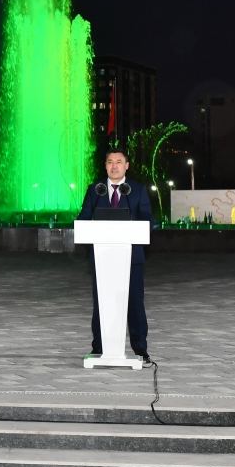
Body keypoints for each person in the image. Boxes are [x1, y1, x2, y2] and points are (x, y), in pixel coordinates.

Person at [77, 148, 152, 363]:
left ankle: (140, 350)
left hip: (132, 259)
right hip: (103, 259)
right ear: (105, 165)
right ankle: (99, 347)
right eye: (110, 161)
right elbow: (84, 217)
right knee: (102, 303)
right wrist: (81, 226)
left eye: (119, 161)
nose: (114, 165)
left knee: (135, 304)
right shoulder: (96, 189)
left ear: (127, 165)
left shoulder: (137, 190)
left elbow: (148, 220)